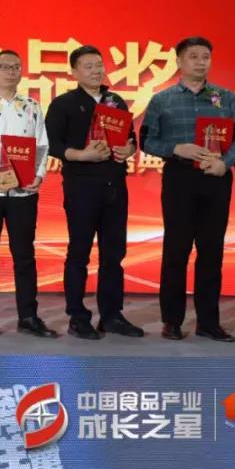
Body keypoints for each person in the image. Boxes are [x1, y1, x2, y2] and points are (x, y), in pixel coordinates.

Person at [141, 36, 235, 342]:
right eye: (193, 56)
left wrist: (225, 163)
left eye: (206, 56)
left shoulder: (225, 98)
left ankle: (208, 322)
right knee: (175, 252)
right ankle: (172, 321)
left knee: (211, 252)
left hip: (215, 179)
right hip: (179, 179)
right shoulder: (162, 100)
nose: (201, 62)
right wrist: (176, 148)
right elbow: (146, 140)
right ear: (179, 61)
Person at [45, 45, 143, 340]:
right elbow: (51, 144)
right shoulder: (63, 104)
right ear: (74, 72)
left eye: (99, 65)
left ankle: (111, 315)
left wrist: (129, 149)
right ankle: (77, 317)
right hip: (81, 187)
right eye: (88, 66)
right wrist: (81, 155)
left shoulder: (116, 101)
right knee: (79, 253)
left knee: (114, 254)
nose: (96, 70)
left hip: (115, 186)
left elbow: (130, 137)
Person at [0, 49, 56, 338]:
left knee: (24, 255)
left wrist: (38, 174)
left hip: (23, 193)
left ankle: (28, 316)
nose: (10, 72)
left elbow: (42, 145)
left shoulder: (31, 105)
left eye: (15, 67)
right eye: (4, 67)